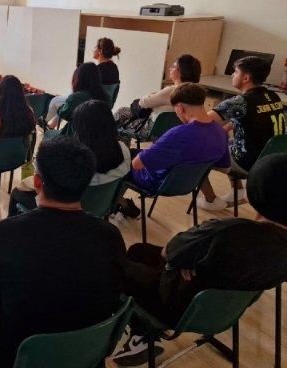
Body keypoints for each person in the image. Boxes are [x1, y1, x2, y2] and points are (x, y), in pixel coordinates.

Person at [0, 137, 127, 368]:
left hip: (18, 357)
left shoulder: (6, 234)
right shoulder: (111, 237)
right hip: (86, 352)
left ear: (38, 181)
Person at [114, 152, 287, 367]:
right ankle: (140, 331)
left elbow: (169, 252)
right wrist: (190, 258)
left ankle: (143, 332)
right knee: (139, 251)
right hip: (223, 310)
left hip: (177, 304)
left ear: (255, 194)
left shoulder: (226, 232)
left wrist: (184, 259)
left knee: (113, 266)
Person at [117, 83, 231, 217]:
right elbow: (225, 169)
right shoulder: (221, 132)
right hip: (188, 184)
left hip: (157, 182)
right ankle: (122, 205)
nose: (177, 116)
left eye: (176, 111)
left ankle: (120, 205)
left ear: (180, 108)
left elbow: (137, 165)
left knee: (118, 160)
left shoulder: (178, 134)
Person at [8, 99, 130, 216]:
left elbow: (43, 186)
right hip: (100, 209)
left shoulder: (74, 161)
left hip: (63, 212)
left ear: (80, 129)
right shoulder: (124, 151)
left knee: (17, 193)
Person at [198, 55, 286, 210]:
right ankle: (237, 191)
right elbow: (249, 118)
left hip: (248, 161)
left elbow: (201, 121)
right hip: (270, 158)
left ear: (246, 78)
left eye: (236, 72)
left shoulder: (240, 102)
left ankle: (211, 201)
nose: (232, 75)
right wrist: (224, 130)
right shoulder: (273, 96)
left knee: (197, 154)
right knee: (227, 142)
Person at [113, 54, 201, 144]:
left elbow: (143, 102)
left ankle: (117, 148)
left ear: (182, 71)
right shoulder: (193, 92)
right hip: (170, 131)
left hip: (151, 129)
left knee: (121, 115)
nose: (170, 68)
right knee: (124, 113)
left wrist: (151, 94)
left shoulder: (172, 91)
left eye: (173, 66)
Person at [47, 62, 109, 132]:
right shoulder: (106, 96)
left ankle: (45, 124)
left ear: (80, 78)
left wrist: (63, 105)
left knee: (48, 134)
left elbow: (64, 114)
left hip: (77, 135)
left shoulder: (76, 97)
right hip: (99, 134)